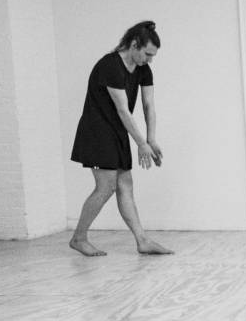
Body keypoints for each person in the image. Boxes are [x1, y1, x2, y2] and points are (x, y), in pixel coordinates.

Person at [68, 21, 171, 257]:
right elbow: (123, 110)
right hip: (97, 132)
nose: (150, 60)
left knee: (125, 185)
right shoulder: (110, 66)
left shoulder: (143, 69)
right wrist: (141, 144)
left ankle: (142, 241)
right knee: (106, 187)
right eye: (147, 54)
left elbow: (148, 105)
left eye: (153, 56)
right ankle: (78, 238)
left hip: (117, 131)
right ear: (134, 44)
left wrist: (151, 139)